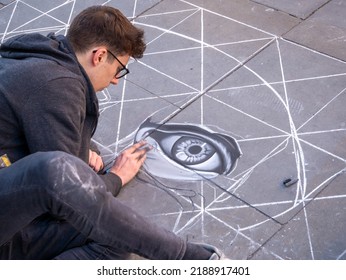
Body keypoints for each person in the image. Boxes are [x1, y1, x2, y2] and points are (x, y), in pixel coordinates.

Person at [0, 6, 226, 260]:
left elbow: (51, 126)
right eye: (119, 69)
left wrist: (85, 148)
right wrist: (116, 177)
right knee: (112, 240)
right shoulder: (57, 87)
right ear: (99, 55)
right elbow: (66, 194)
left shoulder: (40, 57)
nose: (117, 79)